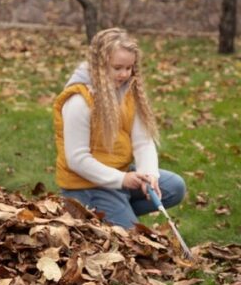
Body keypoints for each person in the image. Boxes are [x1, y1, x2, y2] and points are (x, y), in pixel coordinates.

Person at [53, 28, 187, 229]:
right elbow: (77, 159)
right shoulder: (79, 100)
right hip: (86, 186)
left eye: (129, 67)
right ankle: (102, 213)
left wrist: (148, 175)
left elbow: (143, 141)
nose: (125, 74)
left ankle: (118, 211)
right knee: (131, 242)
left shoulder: (127, 92)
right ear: (99, 65)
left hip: (120, 175)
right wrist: (122, 179)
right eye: (117, 68)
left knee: (175, 187)